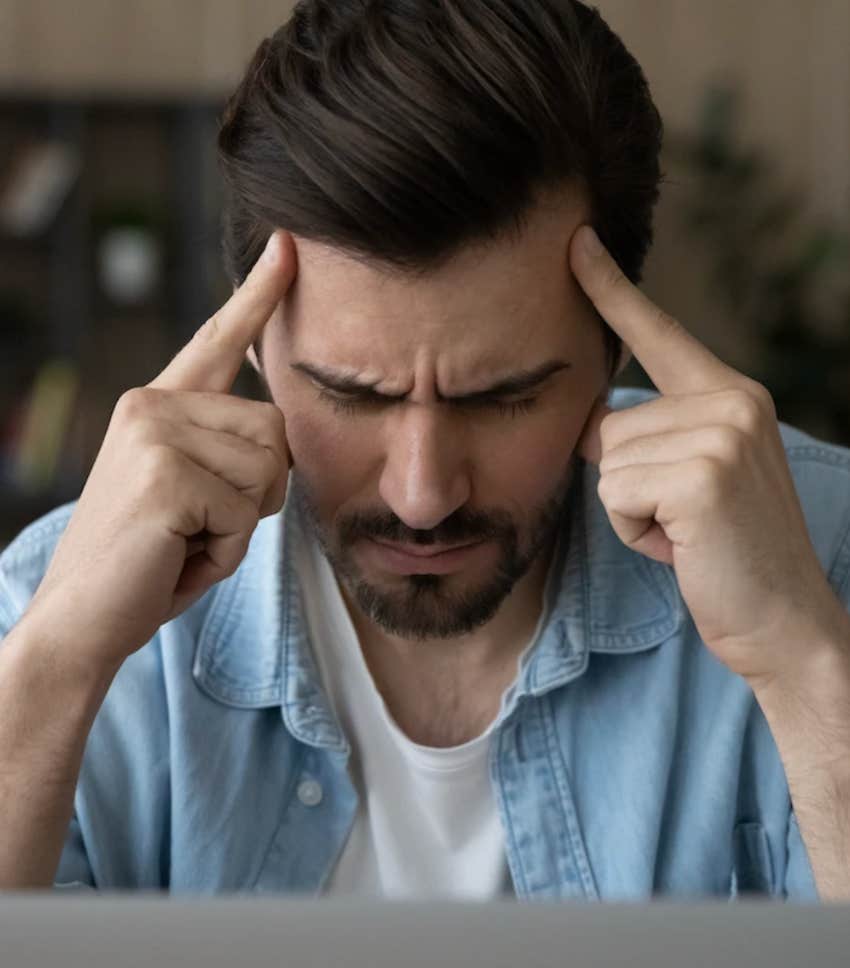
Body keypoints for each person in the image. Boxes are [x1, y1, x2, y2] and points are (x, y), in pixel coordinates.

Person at [1, 0, 849, 901]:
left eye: (503, 397)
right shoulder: (53, 609)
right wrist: (52, 675)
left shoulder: (822, 555)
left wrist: (803, 665)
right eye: (351, 394)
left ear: (615, 354)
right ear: (249, 349)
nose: (422, 494)